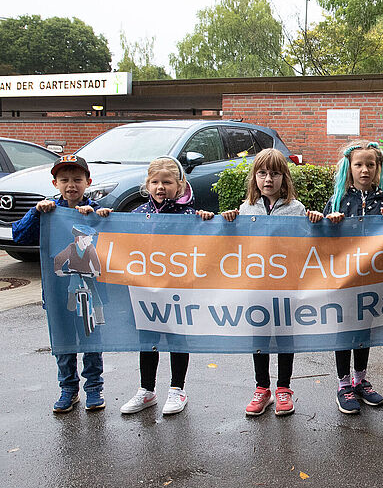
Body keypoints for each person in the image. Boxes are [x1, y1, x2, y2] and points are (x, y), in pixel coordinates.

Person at [13, 155, 112, 413]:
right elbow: (19, 236)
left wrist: (99, 218)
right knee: (63, 341)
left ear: (88, 182)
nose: (71, 185)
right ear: (55, 182)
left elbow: (112, 245)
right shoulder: (47, 211)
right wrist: (36, 213)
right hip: (60, 292)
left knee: (91, 340)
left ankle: (94, 388)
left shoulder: (96, 209)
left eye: (77, 180)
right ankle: (68, 388)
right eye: (64, 180)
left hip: (92, 292)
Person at [308, 141, 383, 414]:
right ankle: (343, 384)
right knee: (344, 330)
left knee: (364, 330)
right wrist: (326, 221)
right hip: (344, 280)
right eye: (359, 164)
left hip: (372, 279)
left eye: (370, 165)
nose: (364, 170)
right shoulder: (338, 200)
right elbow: (320, 237)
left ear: (378, 168)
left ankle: (361, 380)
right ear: (349, 167)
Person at [120, 156, 214, 416]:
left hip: (178, 289)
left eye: (167, 182)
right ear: (147, 185)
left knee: (176, 338)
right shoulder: (137, 215)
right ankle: (146, 390)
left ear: (180, 185)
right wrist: (105, 217)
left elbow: (206, 244)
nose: (160, 187)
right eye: (155, 182)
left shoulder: (190, 216)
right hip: (146, 290)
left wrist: (206, 220)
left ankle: (177, 389)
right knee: (147, 340)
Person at [221, 149, 306, 417]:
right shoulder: (244, 209)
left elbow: (305, 244)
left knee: (284, 338)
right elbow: (235, 245)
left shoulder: (297, 209)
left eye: (275, 173)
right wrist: (227, 222)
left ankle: (283, 388)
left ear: (285, 177)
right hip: (255, 286)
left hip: (285, 285)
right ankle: (262, 388)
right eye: (262, 173)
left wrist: (312, 221)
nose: (268, 179)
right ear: (254, 177)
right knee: (259, 336)